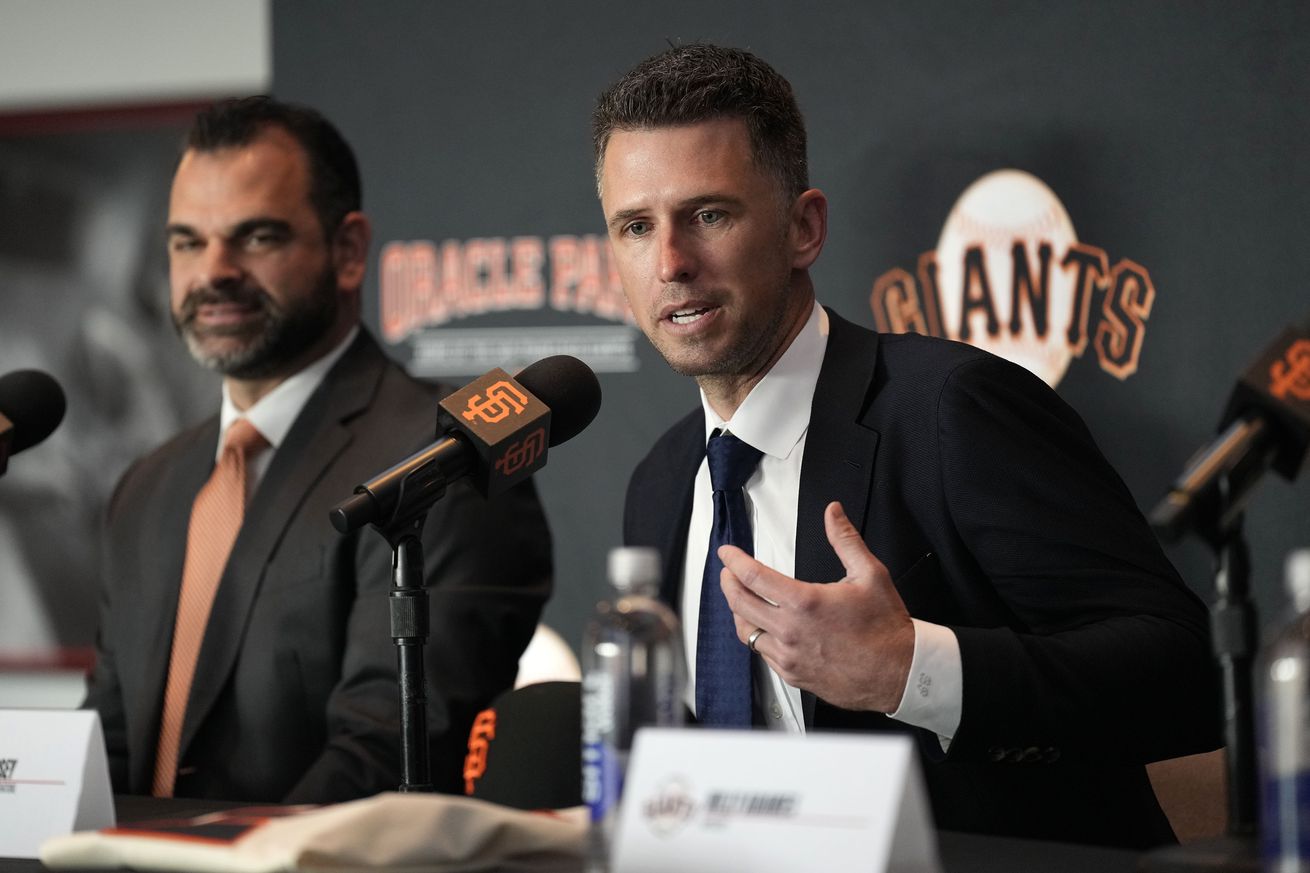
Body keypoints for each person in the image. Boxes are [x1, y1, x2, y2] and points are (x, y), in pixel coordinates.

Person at [595, 44, 1220, 848]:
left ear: (804, 227)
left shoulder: (950, 410)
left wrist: (913, 669)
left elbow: (1181, 674)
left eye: (709, 215)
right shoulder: (661, 481)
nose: (672, 262)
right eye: (637, 226)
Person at [84, 97, 552, 803]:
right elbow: (108, 744)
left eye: (258, 236)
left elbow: (388, 747)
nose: (215, 271)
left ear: (349, 251)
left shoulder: (440, 459)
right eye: (187, 241)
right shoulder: (147, 487)